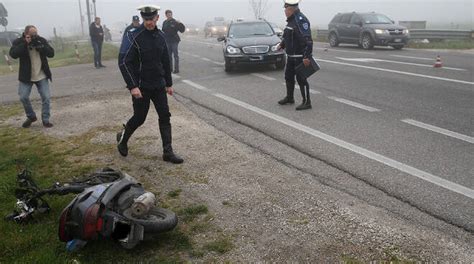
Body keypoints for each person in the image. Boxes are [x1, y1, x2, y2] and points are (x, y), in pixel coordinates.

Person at [117, 5, 184, 164]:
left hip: (158, 85)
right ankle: (123, 140)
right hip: (141, 86)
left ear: (157, 18)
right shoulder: (133, 36)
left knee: (165, 116)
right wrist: (133, 86)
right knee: (140, 118)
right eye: (146, 19)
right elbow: (124, 62)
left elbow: (165, 61)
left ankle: (167, 152)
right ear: (142, 19)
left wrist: (168, 83)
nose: (149, 22)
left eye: (151, 19)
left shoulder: (161, 36)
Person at [9, 25, 54, 128]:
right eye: (32, 34)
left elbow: (51, 53)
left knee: (46, 98)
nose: (34, 36)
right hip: (26, 76)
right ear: (26, 34)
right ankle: (31, 116)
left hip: (41, 75)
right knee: (23, 97)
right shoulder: (19, 41)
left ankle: (46, 120)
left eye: (36, 33)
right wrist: (26, 43)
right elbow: (13, 54)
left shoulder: (41, 40)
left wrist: (41, 46)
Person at [278, 0, 313, 110]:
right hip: (291, 56)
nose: (285, 11)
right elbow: (288, 35)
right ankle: (290, 98)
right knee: (288, 76)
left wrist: (307, 57)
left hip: (299, 57)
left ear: (291, 9)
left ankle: (307, 102)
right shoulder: (291, 21)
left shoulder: (301, 20)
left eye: (286, 9)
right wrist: (282, 45)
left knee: (301, 79)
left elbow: (308, 40)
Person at [162, 9, 185, 74]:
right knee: (169, 56)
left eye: (170, 14)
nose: (169, 15)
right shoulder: (164, 22)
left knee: (175, 55)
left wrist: (180, 23)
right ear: (166, 15)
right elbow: (163, 31)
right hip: (167, 40)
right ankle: (170, 68)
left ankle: (176, 69)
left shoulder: (175, 22)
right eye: (168, 14)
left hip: (174, 40)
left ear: (171, 15)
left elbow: (182, 30)